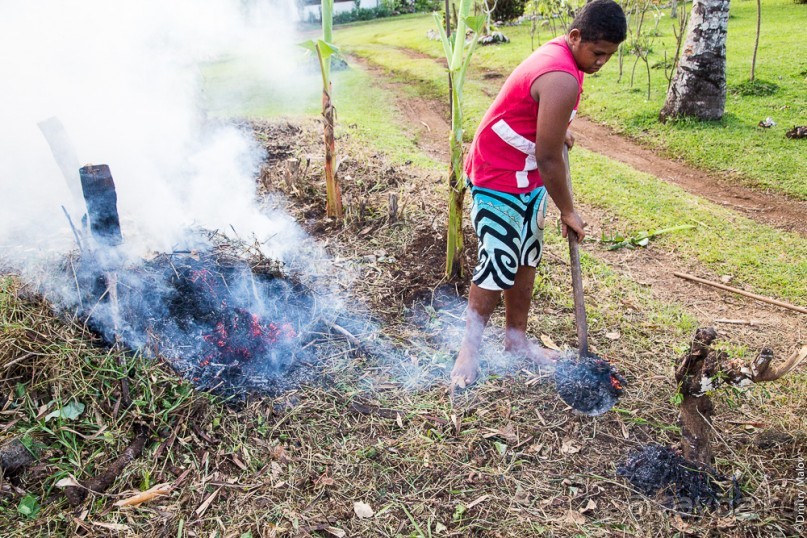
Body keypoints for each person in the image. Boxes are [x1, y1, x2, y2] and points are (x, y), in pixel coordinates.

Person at [450, 0, 627, 388]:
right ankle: (469, 351)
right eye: (598, 53)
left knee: (525, 256)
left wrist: (553, 125)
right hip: (497, 171)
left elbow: (528, 108)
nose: (601, 63)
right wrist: (569, 210)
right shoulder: (562, 75)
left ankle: (516, 341)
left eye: (609, 57)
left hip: (524, 170)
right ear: (576, 37)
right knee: (498, 260)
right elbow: (549, 158)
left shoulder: (566, 59)